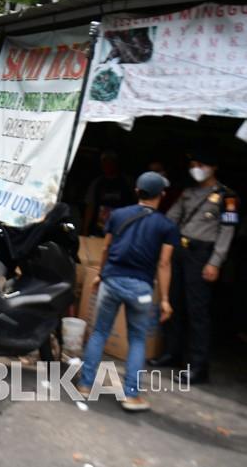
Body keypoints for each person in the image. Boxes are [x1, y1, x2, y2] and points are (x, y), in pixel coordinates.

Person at [77, 172, 177, 411]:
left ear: (136, 191)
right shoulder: (167, 226)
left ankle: (85, 385)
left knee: (100, 332)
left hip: (111, 281)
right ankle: (131, 395)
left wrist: (101, 274)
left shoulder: (118, 215)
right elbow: (164, 264)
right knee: (137, 339)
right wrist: (164, 299)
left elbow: (106, 248)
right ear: (161, 195)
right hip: (141, 288)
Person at [150, 151, 240, 384]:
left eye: (200, 164)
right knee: (174, 303)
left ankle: (198, 366)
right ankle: (171, 353)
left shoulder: (227, 197)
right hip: (180, 250)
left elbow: (227, 231)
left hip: (202, 255)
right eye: (193, 164)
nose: (196, 168)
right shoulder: (188, 193)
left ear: (213, 167)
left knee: (197, 311)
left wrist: (215, 261)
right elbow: (171, 218)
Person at [82, 150, 136, 236]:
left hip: (121, 227)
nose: (107, 165)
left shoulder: (127, 182)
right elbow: (90, 206)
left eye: (110, 162)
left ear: (115, 163)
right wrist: (85, 228)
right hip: (99, 227)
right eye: (104, 162)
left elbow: (135, 204)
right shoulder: (97, 183)